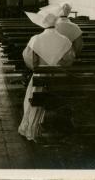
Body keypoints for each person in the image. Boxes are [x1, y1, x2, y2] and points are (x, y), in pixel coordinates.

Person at [18, 10, 75, 142]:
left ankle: (33, 127)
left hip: (40, 76)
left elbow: (30, 60)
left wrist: (38, 68)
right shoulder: (64, 39)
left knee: (34, 99)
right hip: (59, 77)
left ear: (43, 23)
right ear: (56, 23)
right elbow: (69, 60)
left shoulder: (36, 39)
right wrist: (56, 65)